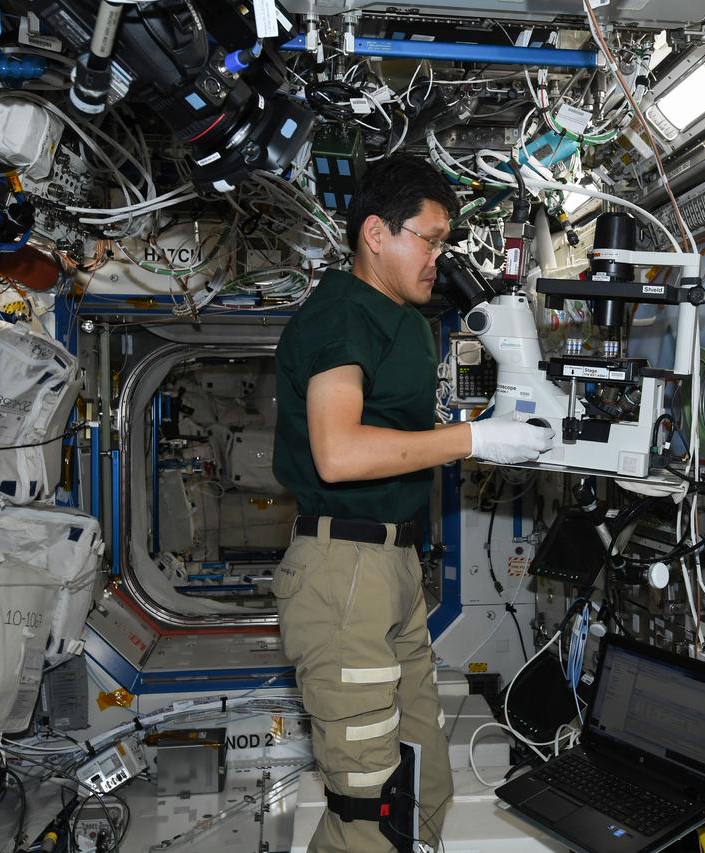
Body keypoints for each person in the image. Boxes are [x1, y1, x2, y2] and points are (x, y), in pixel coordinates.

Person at [271, 154, 555, 852]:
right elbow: (339, 452)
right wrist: (473, 438)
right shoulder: (343, 313)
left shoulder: (400, 320)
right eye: (428, 239)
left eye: (442, 242)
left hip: (392, 567)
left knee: (425, 783)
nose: (438, 257)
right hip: (346, 568)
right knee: (367, 808)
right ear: (376, 233)